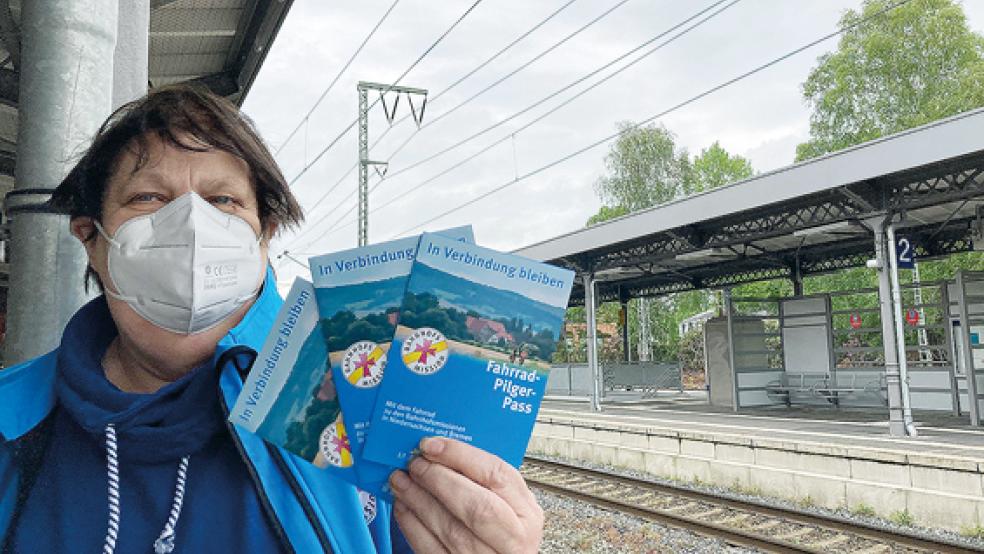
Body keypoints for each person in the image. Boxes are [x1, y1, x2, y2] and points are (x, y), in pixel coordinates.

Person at [0, 86, 543, 553]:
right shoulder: (9, 420)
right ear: (92, 238)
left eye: (223, 200)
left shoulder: (372, 398)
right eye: (148, 197)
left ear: (266, 237)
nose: (191, 227)